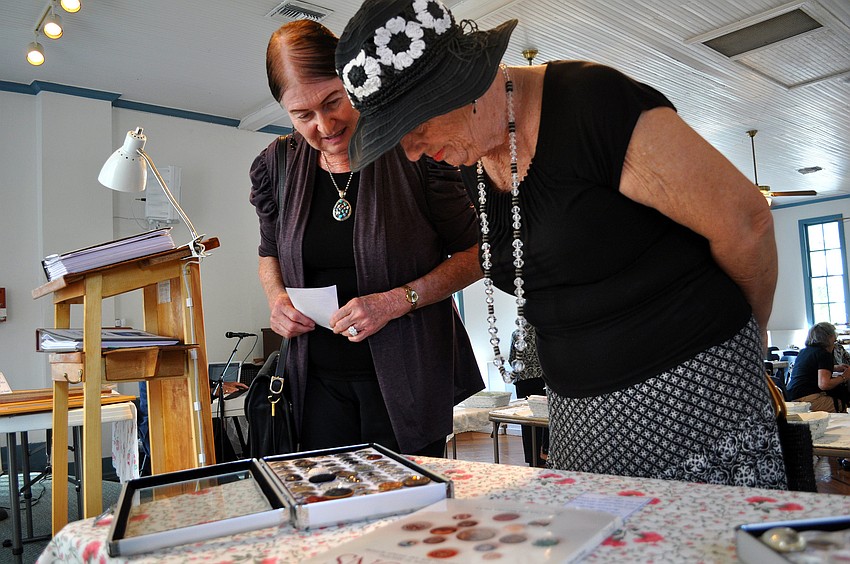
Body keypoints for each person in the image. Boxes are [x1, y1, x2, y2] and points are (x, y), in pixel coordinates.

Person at [335, 0, 786, 488]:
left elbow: (746, 223)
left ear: (461, 87)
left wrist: (751, 333)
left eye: (415, 128)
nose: (413, 151)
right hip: (578, 417)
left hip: (696, 400)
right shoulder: (472, 156)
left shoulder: (593, 102)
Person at [249, 19, 484, 458]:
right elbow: (269, 254)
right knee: (330, 512)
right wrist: (276, 300)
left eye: (333, 101)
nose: (324, 124)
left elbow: (476, 254)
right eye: (303, 115)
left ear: (354, 81)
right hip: (315, 385)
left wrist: (395, 301)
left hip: (407, 381)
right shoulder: (277, 165)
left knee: (410, 515)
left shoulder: (415, 147)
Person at [508, 325, 548, 467]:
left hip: (523, 381)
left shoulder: (516, 334)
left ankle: (531, 458)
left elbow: (512, 358)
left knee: (526, 420)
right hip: (541, 379)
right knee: (543, 418)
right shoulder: (543, 331)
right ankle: (545, 452)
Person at [786, 322, 850, 412]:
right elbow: (824, 384)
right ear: (828, 337)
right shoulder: (824, 354)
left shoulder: (804, 352)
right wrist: (844, 377)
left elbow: (812, 368)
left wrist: (835, 368)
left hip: (791, 396)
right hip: (808, 399)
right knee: (844, 405)